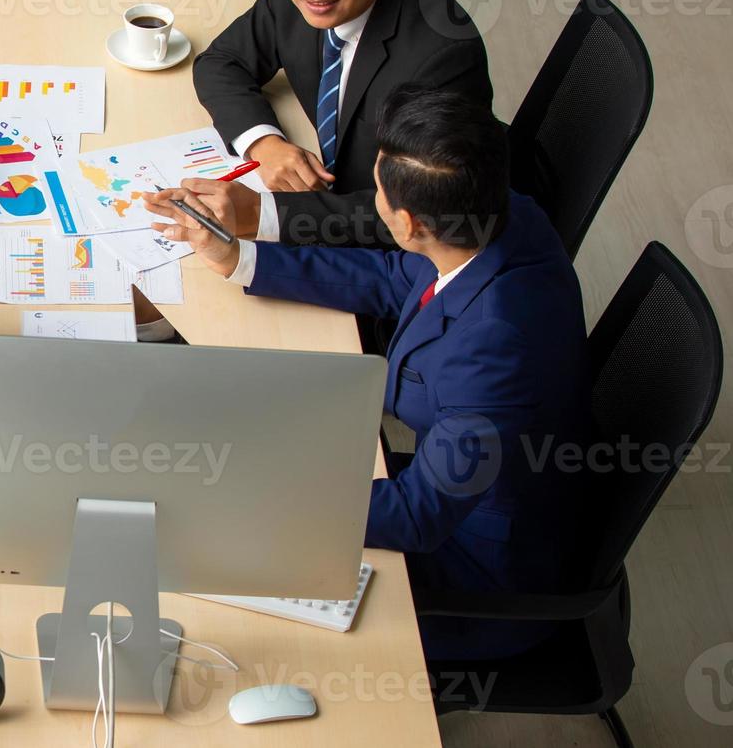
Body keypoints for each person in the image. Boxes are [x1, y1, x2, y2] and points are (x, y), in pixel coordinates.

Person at [145, 86, 590, 660]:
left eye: (375, 191)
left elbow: (418, 516)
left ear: (406, 222)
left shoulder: (494, 353)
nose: (369, 200)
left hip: (473, 564)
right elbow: (394, 279)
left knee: (205, 594)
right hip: (463, 479)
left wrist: (252, 496)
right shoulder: (504, 214)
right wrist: (239, 257)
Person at [193, 0, 493, 249]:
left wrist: (263, 215)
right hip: (330, 204)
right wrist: (264, 144)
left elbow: (422, 213)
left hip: (394, 249)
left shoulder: (442, 59)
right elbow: (222, 61)